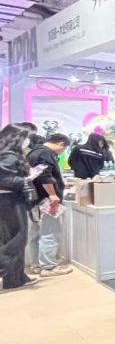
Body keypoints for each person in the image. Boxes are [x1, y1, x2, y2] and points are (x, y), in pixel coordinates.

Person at [0, 124, 41, 291]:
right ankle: (8, 273)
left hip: (8, 200)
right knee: (17, 238)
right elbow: (5, 180)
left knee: (10, 237)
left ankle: (15, 278)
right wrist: (29, 178)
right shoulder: (8, 156)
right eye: (27, 137)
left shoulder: (6, 154)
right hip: (9, 200)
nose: (28, 141)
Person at [26, 133, 72, 278]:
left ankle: (36, 265)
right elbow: (44, 175)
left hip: (34, 199)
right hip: (46, 199)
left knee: (34, 234)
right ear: (61, 144)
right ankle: (49, 266)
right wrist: (52, 194)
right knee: (50, 232)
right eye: (64, 149)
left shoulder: (33, 152)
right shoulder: (46, 153)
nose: (62, 152)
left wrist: (60, 184)